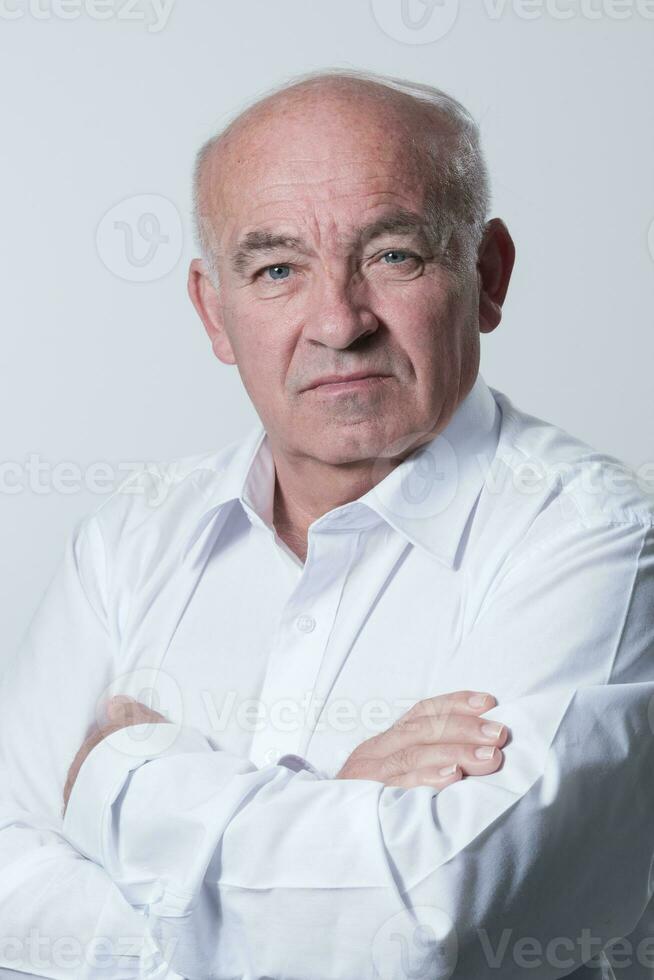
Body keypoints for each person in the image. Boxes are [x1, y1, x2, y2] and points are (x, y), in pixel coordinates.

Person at [1, 67, 653, 980]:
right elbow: (7, 882)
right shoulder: (127, 542)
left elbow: (435, 929)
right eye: (276, 270)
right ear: (213, 312)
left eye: (394, 256)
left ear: (488, 275)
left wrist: (128, 779)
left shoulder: (604, 543)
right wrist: (338, 819)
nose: (339, 323)